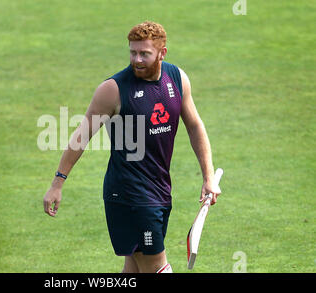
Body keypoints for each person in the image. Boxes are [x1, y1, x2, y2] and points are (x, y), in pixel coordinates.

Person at [42, 21, 221, 273]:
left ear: (162, 53)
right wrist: (57, 183)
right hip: (129, 194)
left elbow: (195, 126)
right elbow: (81, 136)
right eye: (133, 52)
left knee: (134, 270)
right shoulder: (113, 90)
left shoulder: (177, 79)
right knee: (157, 267)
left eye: (144, 54)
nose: (137, 59)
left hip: (159, 190)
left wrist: (208, 176)